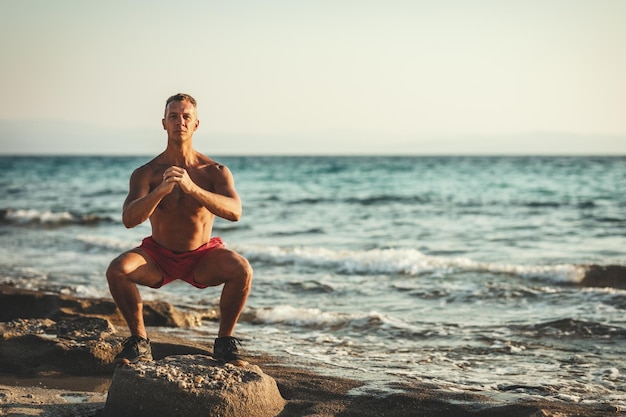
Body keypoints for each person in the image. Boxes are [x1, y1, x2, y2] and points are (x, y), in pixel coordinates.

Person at [106, 93, 252, 366]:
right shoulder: (146, 173)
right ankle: (139, 343)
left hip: (202, 257)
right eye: (173, 116)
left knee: (242, 269)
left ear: (196, 124)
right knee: (117, 269)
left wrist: (192, 188)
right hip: (157, 257)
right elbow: (129, 219)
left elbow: (235, 212)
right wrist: (160, 190)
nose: (180, 122)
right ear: (164, 123)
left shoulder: (215, 171)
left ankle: (224, 344)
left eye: (186, 117)